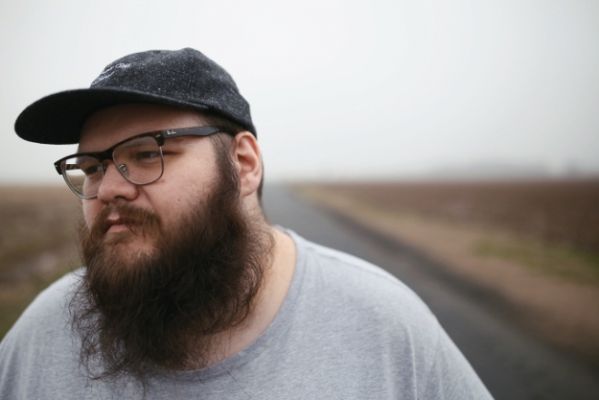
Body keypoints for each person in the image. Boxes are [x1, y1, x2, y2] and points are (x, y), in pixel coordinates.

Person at [0, 48, 492, 399]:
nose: (107, 189)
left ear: (243, 163)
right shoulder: (41, 336)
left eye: (147, 153)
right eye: (91, 167)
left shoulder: (383, 328)